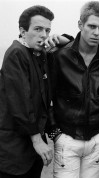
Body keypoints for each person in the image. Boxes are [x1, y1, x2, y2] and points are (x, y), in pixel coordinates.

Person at [47, 1, 99, 178]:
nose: (96, 32)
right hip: (66, 137)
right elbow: (46, 97)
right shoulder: (59, 56)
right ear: (80, 24)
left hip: (98, 139)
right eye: (91, 26)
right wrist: (55, 132)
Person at [0, 5, 54, 178]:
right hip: (15, 150)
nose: (44, 35)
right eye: (38, 29)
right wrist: (37, 140)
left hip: (31, 152)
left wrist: (63, 39)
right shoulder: (16, 53)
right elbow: (21, 102)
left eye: (47, 30)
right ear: (23, 32)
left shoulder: (37, 54)